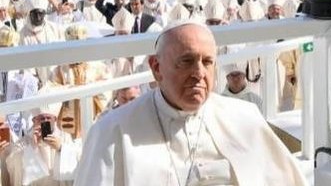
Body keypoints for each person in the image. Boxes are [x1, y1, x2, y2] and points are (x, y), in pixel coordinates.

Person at [74, 20, 306, 185]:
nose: (199, 73)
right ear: (156, 68)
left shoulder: (246, 118)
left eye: (207, 62)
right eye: (186, 61)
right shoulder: (112, 132)